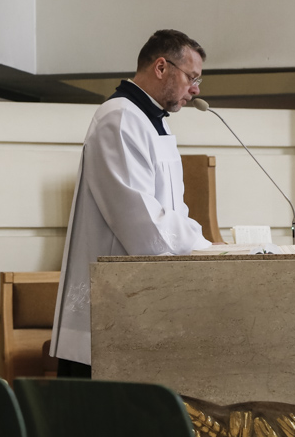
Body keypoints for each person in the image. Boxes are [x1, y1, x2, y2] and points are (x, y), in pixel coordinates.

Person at [50, 29, 213, 377]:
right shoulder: (120, 118)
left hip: (141, 302)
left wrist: (204, 247)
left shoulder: (154, 123)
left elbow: (175, 211)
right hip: (111, 308)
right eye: (191, 77)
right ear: (161, 67)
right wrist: (206, 249)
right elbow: (143, 224)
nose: (195, 90)